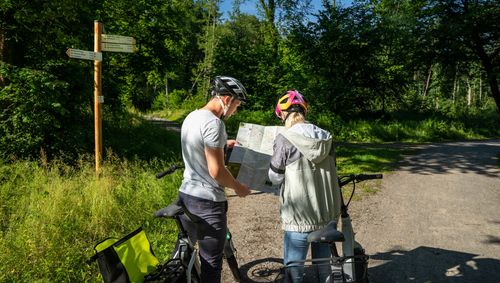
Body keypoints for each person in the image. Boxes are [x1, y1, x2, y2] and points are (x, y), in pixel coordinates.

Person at [174, 76, 251, 283]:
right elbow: (217, 171)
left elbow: (200, 145)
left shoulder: (192, 116)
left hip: (186, 196)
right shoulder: (215, 124)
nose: (236, 110)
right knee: (211, 263)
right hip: (207, 203)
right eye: (236, 104)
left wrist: (225, 145)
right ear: (226, 99)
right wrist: (239, 187)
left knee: (183, 255)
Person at [268, 90, 341, 283]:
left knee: (294, 274)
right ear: (303, 111)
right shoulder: (327, 137)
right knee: (325, 272)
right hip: (326, 216)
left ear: (283, 114)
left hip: (298, 218)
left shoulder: (284, 139)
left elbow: (275, 178)